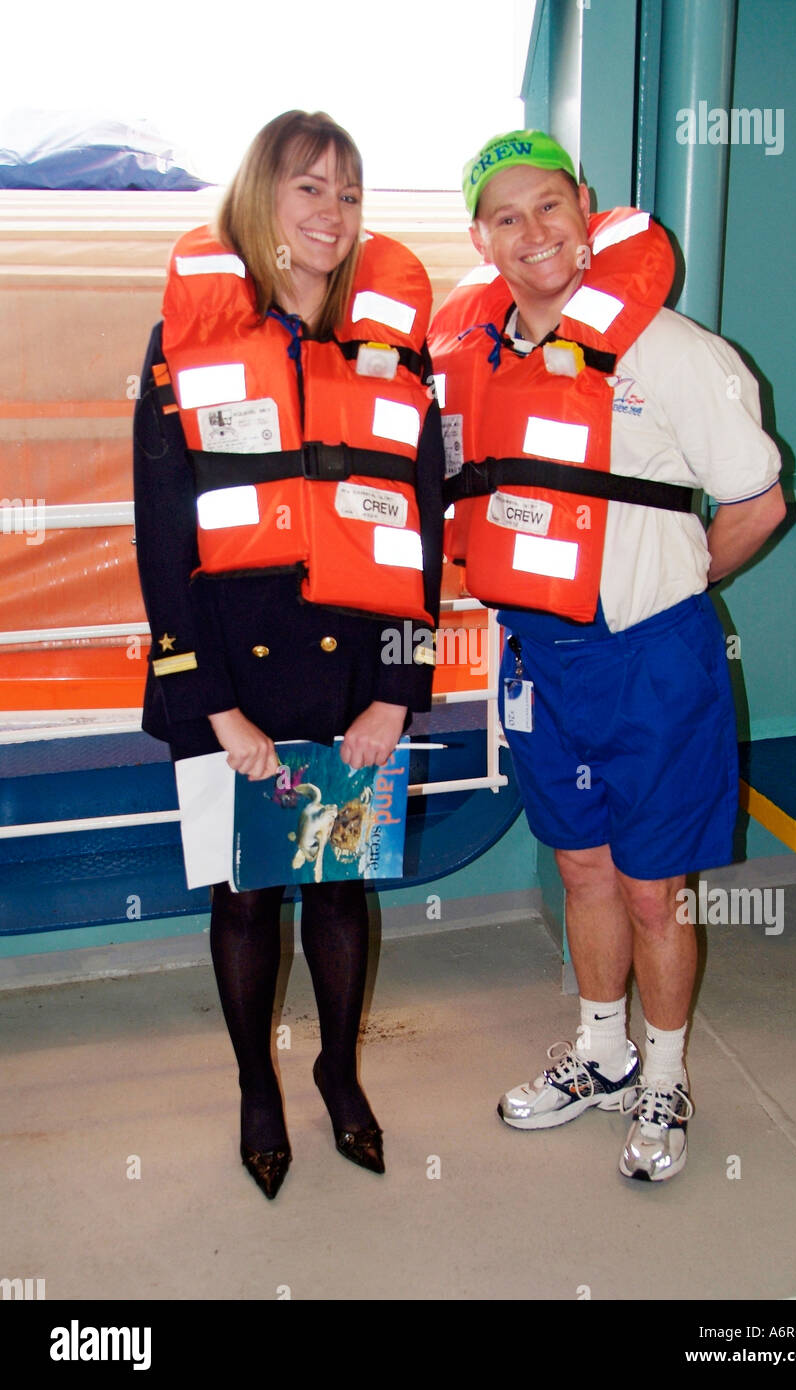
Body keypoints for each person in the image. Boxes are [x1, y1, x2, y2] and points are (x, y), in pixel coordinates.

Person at [429, 130, 785, 1182]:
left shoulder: (674, 352)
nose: (533, 233)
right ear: (481, 238)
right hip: (539, 656)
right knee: (580, 864)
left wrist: (676, 584)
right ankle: (603, 1052)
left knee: (652, 889)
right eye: (507, 217)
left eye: (549, 206)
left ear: (586, 206)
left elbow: (760, 504)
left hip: (653, 659)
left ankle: (666, 1075)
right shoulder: (473, 362)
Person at [133, 110, 443, 1199]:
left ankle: (338, 1071)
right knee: (247, 892)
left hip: (357, 670)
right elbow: (162, 536)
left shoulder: (394, 348)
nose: (332, 213)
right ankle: (257, 1089)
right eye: (309, 188)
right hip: (229, 669)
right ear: (261, 198)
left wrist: (400, 692)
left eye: (350, 194)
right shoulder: (189, 340)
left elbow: (422, 533)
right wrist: (215, 709)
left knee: (343, 885)